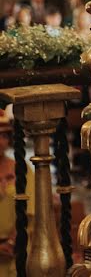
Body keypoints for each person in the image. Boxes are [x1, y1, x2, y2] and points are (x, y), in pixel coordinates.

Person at [0, 112, 33, 277]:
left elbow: (31, 210)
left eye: (3, 136)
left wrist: (12, 241)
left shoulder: (21, 167)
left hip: (17, 247)